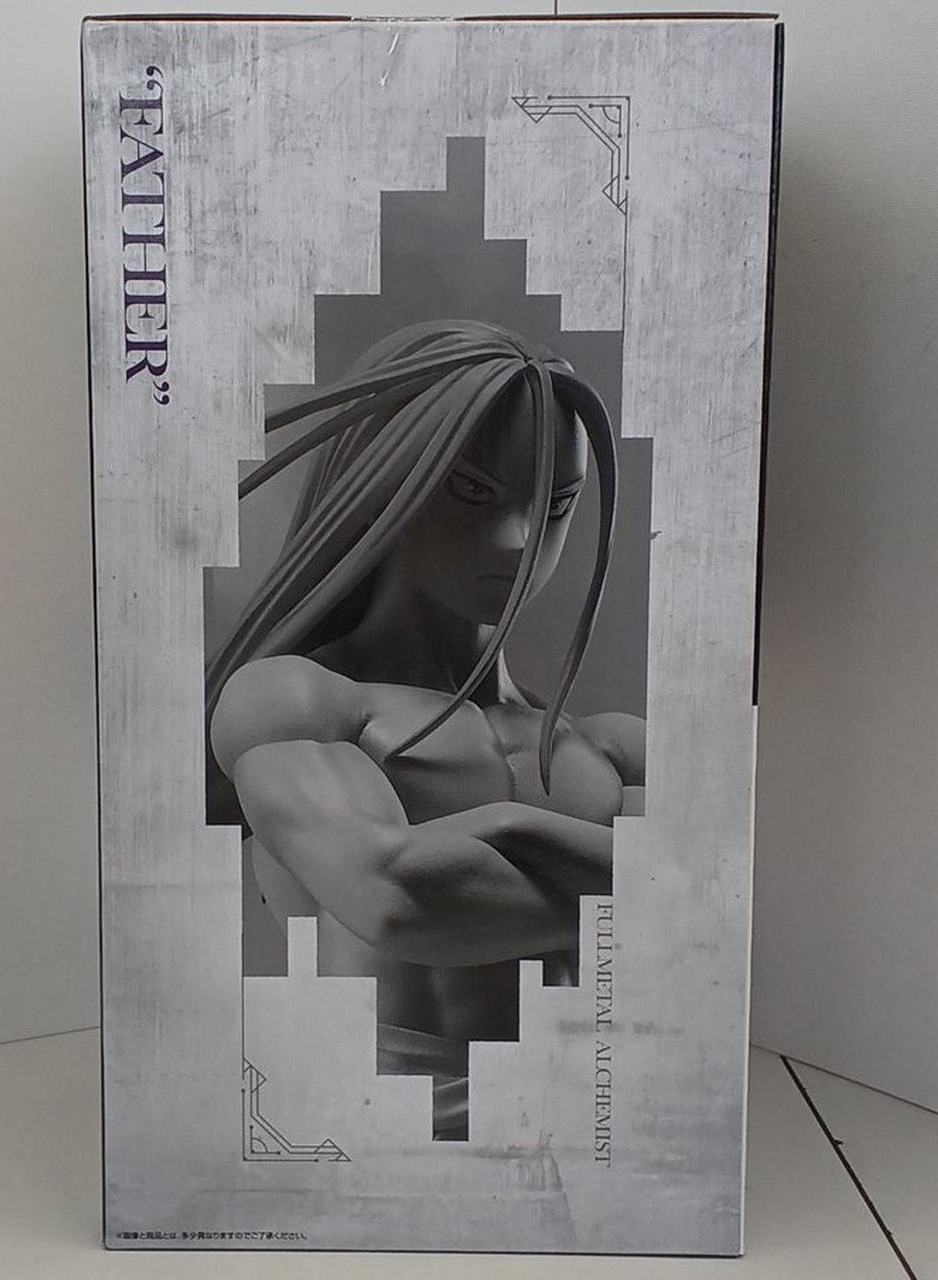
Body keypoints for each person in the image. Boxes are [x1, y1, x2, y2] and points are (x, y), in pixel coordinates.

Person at [207, 318, 644, 1140]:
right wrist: (641, 887)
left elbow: (724, 907)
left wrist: (506, 835)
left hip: (582, 1119)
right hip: (375, 1127)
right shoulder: (297, 702)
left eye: (555, 504)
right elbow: (399, 902)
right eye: (473, 491)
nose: (520, 540)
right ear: (387, 479)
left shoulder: (607, 746)